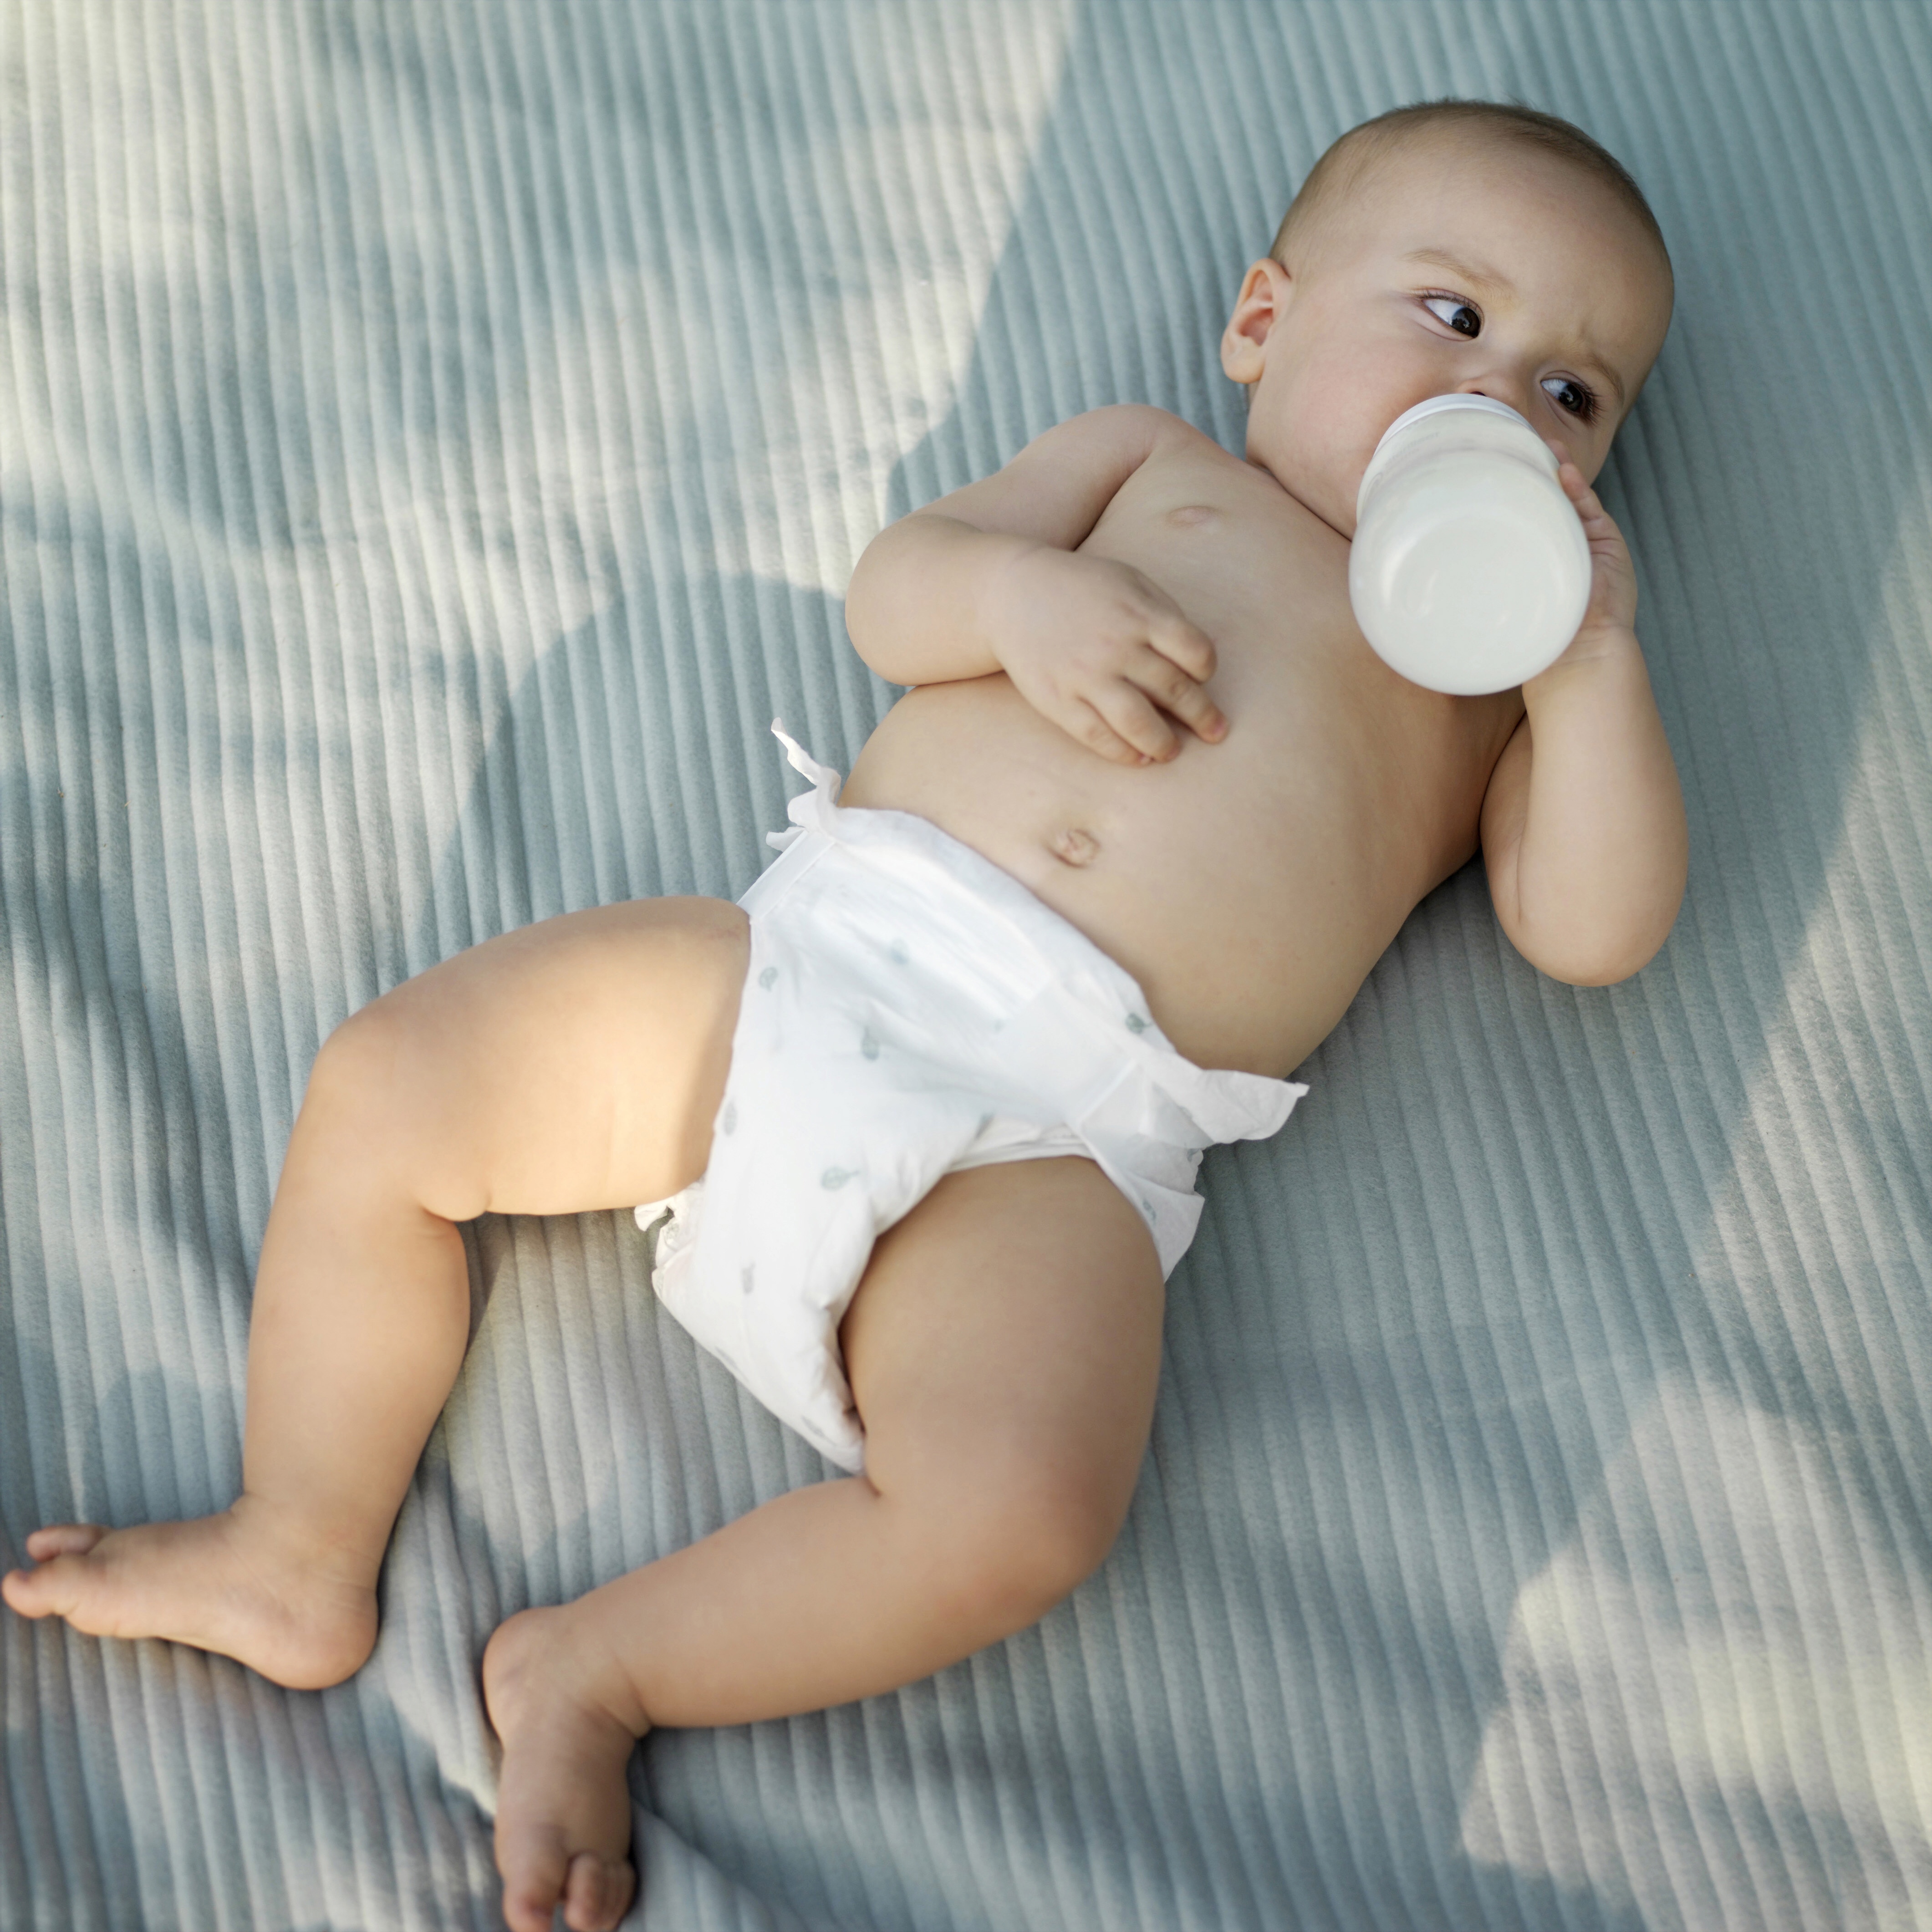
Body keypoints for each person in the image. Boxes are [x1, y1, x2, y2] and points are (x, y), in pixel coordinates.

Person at [3, 98, 1686, 1932]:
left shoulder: (1478, 701)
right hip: (817, 960)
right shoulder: (1145, 468)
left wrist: (1588, 669)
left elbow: (1586, 926)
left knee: (1024, 1506)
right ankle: (300, 1536)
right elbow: (898, 594)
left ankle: (599, 1668)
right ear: (1259, 322)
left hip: (1064, 1131)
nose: (1498, 404)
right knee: (391, 1082)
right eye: (1450, 319)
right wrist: (1022, 602)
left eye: (1571, 395)